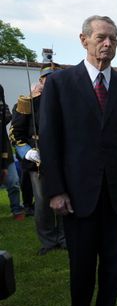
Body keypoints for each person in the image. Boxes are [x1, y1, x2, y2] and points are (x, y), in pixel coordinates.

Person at [40, 15, 117, 306]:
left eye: (114, 39)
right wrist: (55, 190)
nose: (108, 44)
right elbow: (50, 141)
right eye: (102, 37)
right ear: (84, 39)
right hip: (76, 193)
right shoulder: (59, 84)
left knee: (113, 261)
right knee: (81, 263)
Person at [10, 64, 66, 254]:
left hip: (64, 159)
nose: (51, 82)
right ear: (41, 81)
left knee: (66, 199)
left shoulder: (69, 102)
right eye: (47, 79)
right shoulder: (28, 102)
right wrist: (27, 151)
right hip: (38, 160)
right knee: (43, 202)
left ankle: (64, 237)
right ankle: (49, 240)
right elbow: (15, 132)